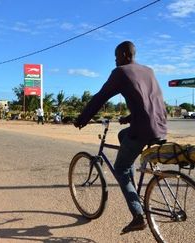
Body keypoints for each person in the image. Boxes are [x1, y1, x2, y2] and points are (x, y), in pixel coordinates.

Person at [74, 41, 167, 233]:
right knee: (123, 134)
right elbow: (151, 102)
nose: (115, 60)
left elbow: (100, 97)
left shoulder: (121, 72)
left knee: (120, 168)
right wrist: (128, 117)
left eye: (116, 56)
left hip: (142, 129)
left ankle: (138, 216)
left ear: (125, 55)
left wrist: (82, 119)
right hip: (160, 126)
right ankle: (131, 179)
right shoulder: (148, 71)